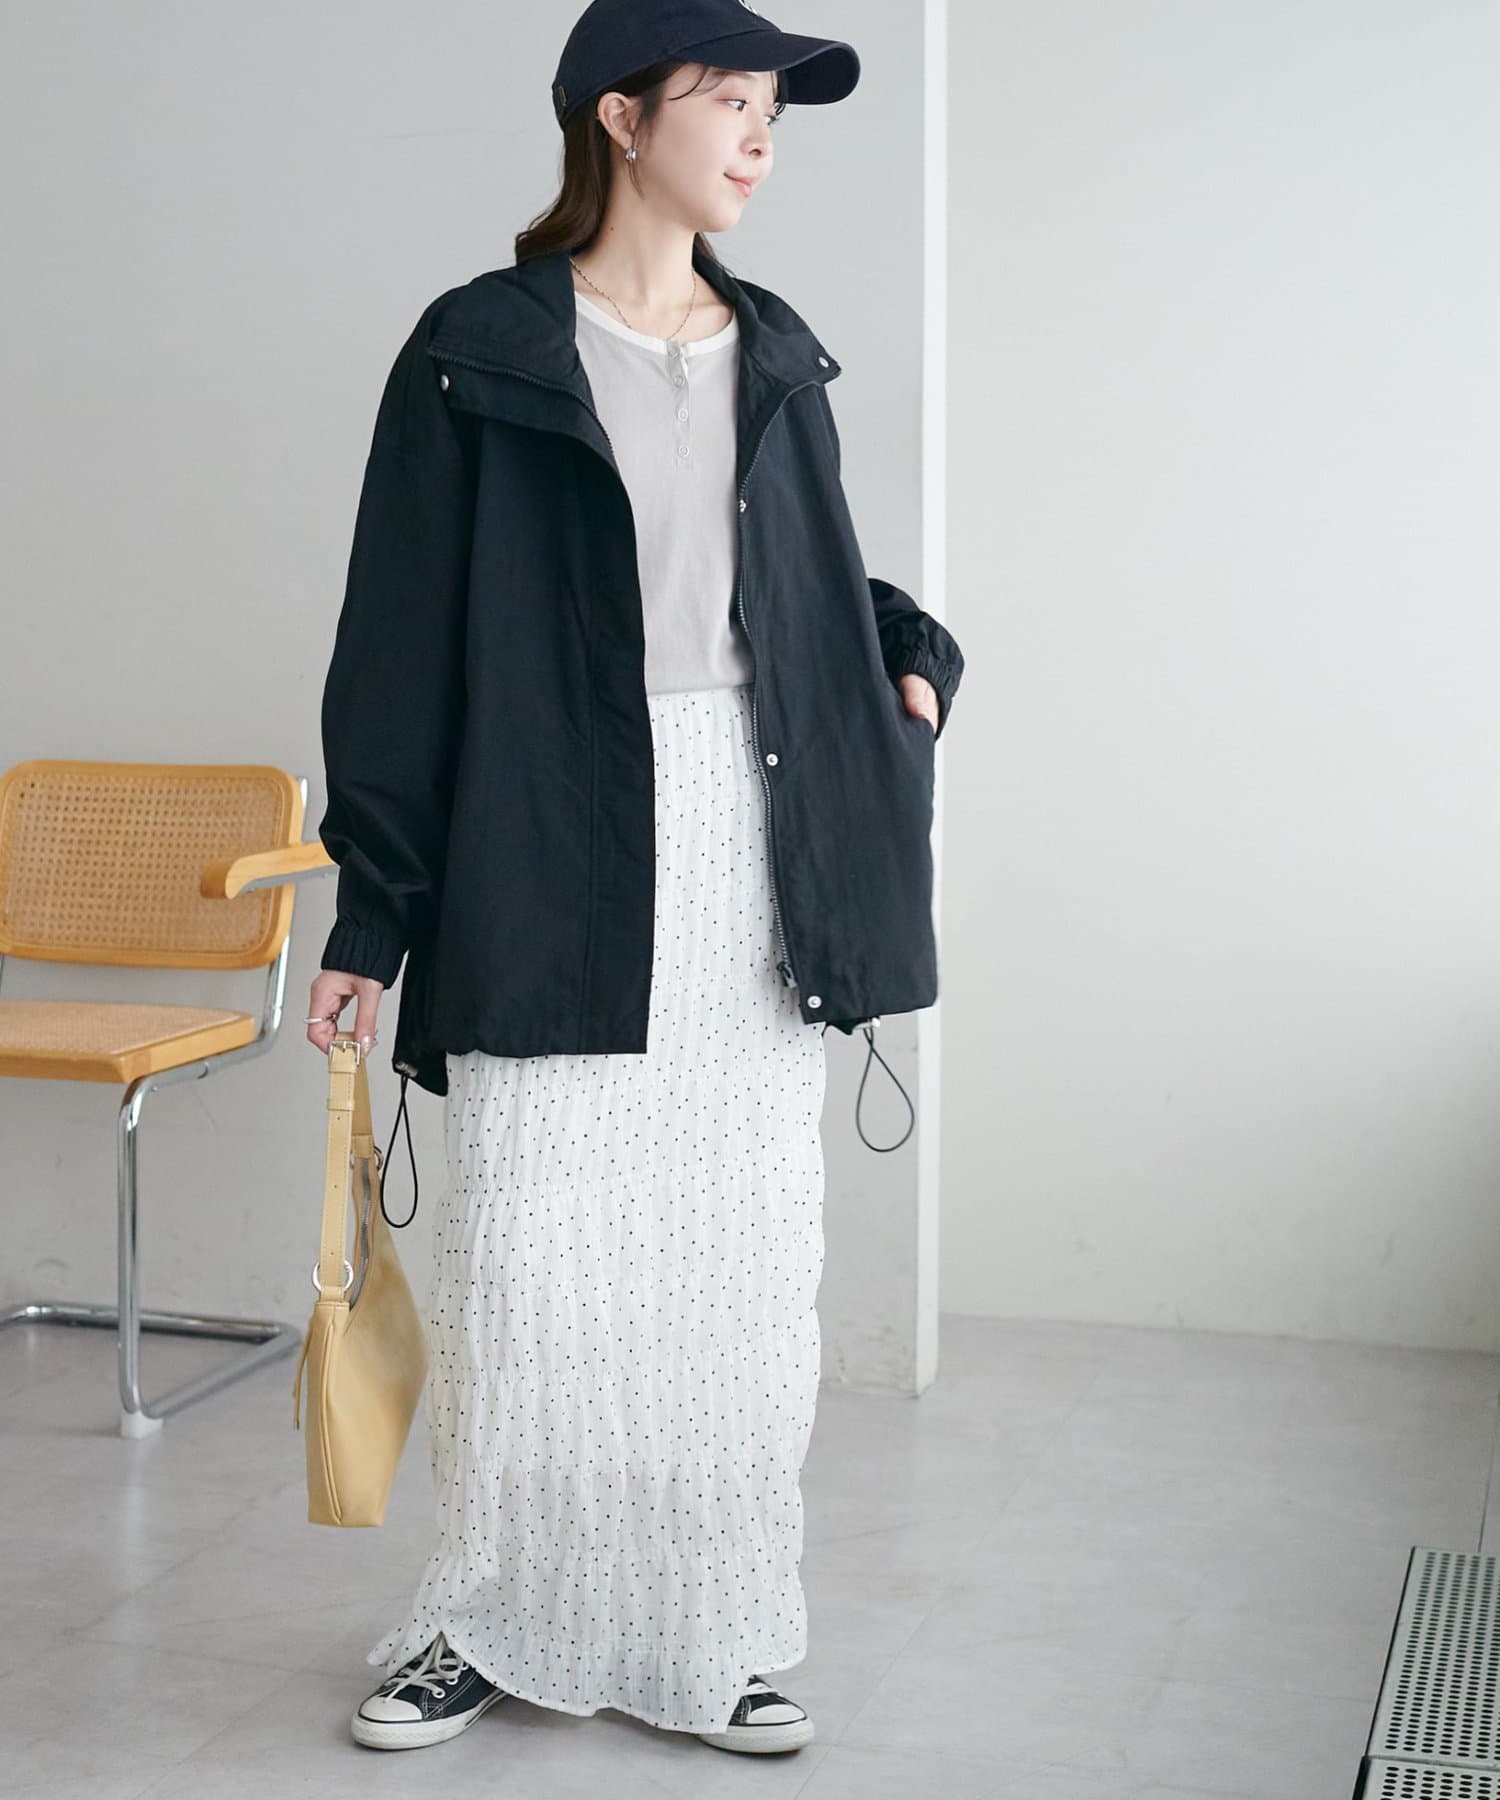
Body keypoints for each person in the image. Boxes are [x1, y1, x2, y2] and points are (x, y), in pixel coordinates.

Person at [304, 0, 964, 1761]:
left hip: (754, 833)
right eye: (726, 100)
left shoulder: (778, 351)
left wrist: (912, 664)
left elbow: (808, 584)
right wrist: (374, 911)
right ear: (619, 116)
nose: (757, 135)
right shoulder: (482, 349)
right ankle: (480, 1620)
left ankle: (718, 1629)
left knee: (736, 1270)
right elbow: (398, 642)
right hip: (548, 832)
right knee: (535, 1261)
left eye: (771, 112)